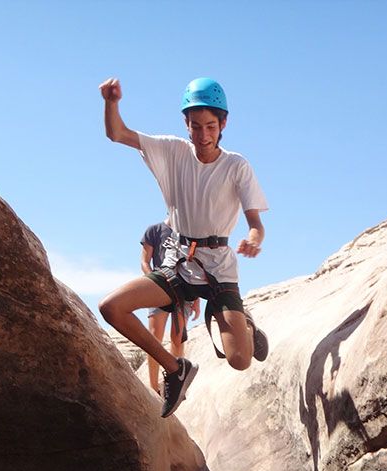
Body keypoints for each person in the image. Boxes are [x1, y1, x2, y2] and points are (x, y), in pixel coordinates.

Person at [97, 76, 270, 418]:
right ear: (185, 124)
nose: (203, 135)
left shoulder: (236, 166)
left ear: (223, 124)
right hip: (178, 265)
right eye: (195, 126)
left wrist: (253, 239)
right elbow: (118, 134)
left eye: (210, 126)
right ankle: (176, 370)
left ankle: (245, 324)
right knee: (111, 307)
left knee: (239, 360)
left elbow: (256, 223)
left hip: (219, 271)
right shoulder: (173, 151)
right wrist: (111, 102)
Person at [141, 220, 200, 395]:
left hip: (184, 290)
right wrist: (153, 282)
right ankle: (153, 387)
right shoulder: (154, 230)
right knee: (154, 337)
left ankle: (176, 383)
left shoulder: (190, 231)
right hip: (159, 286)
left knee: (178, 336)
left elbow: (194, 265)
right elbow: (145, 262)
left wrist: (196, 298)